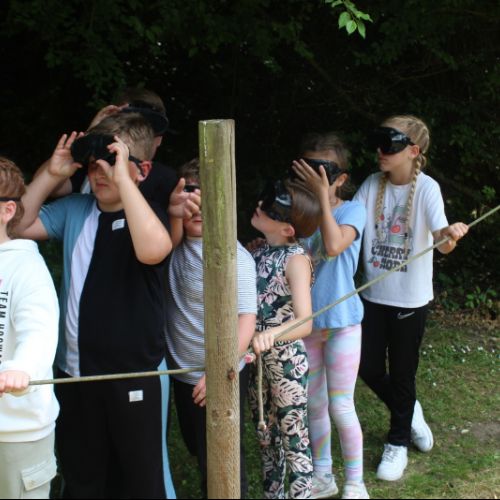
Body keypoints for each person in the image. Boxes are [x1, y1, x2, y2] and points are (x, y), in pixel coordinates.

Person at [16, 113, 178, 498]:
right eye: (92, 164)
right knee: (82, 479)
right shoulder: (76, 210)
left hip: (132, 376)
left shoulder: (147, 214)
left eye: (111, 161)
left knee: (140, 483)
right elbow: (16, 226)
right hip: (76, 375)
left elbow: (154, 250)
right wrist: (52, 174)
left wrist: (125, 180)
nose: (99, 172)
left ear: (143, 169)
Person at [353, 115, 469, 481]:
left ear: (413, 151)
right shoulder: (372, 184)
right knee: (367, 367)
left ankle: (398, 441)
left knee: (403, 374)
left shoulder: (428, 189)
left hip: (410, 302)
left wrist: (450, 234)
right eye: (379, 142)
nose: (380, 151)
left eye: (390, 144)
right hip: (373, 297)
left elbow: (443, 243)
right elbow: (349, 225)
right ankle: (409, 411)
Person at [165, 158, 257, 498]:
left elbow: (247, 319)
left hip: (220, 372)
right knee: (196, 445)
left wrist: (219, 371)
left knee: (223, 457)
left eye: (207, 200)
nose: (198, 210)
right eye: (191, 199)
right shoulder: (170, 246)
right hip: (182, 372)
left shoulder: (234, 256)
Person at [291, 132, 369, 499]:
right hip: (307, 323)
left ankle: (355, 482)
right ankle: (323, 475)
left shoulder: (352, 210)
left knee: (340, 405)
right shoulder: (299, 211)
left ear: (341, 178)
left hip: (342, 324)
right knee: (314, 404)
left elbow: (335, 245)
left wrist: (323, 198)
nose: (316, 176)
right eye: (310, 168)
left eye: (325, 171)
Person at [248, 179, 322, 499]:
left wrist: (271, 334)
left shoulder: (296, 260)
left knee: (294, 440)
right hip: (257, 361)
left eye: (270, 209)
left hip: (286, 364)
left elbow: (305, 321)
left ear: (287, 229)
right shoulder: (260, 250)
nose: (259, 207)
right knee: (266, 438)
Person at [0, 158, 60, 499]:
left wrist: (21, 368)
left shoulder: (27, 267)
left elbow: (38, 331)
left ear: (7, 210)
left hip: (17, 433)